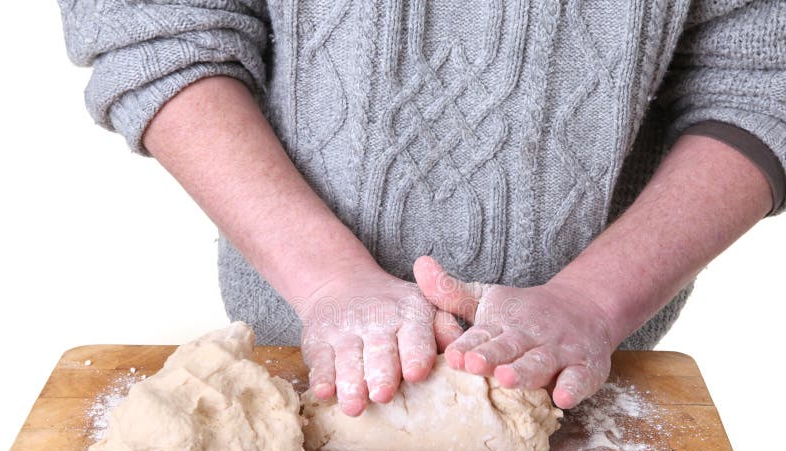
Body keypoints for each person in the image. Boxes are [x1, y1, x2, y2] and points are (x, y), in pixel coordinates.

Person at [57, 1, 784, 417]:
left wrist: (593, 301)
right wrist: (326, 282)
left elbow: (763, 76)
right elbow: (155, 30)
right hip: (297, 365)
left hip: (590, 372)